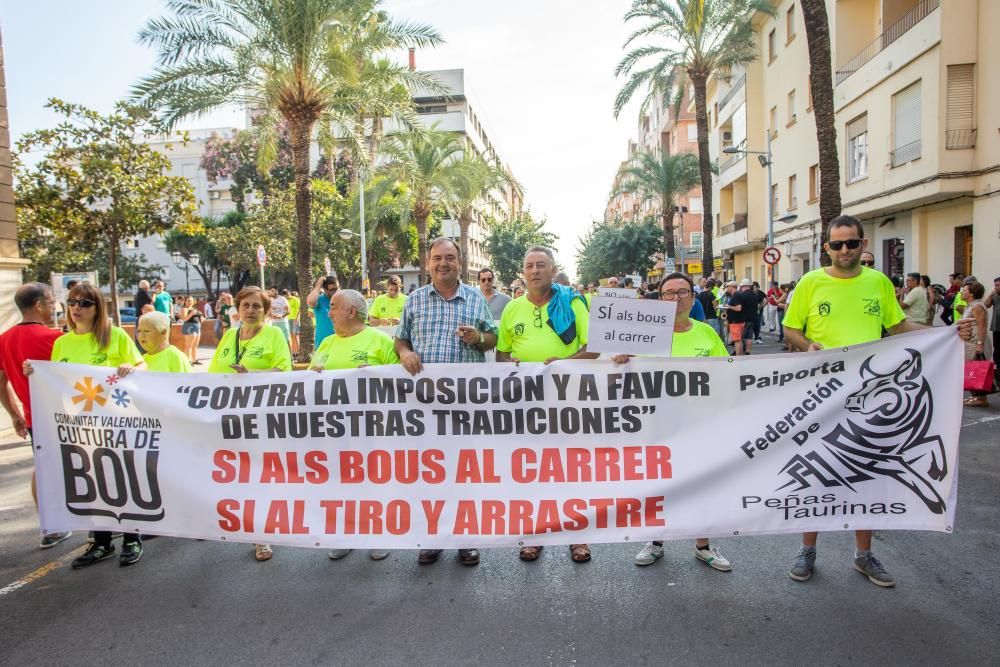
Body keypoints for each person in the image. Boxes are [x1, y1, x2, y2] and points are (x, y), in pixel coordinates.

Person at [782, 215, 972, 588]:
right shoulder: (810, 282)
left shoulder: (878, 283)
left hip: (868, 398)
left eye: (851, 243)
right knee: (820, 473)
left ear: (862, 243)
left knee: (866, 475)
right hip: (822, 395)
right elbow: (791, 328)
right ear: (827, 248)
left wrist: (948, 333)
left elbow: (898, 327)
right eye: (837, 245)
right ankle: (807, 550)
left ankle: (863, 555)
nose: (845, 250)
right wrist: (808, 346)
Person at [612, 273, 732, 572]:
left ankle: (703, 545)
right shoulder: (645, 334)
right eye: (669, 293)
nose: (676, 298)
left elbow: (728, 372)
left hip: (700, 424)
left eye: (682, 292)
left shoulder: (707, 333)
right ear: (660, 298)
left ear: (693, 297)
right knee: (657, 482)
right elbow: (620, 365)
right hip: (658, 424)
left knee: (701, 483)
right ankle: (655, 541)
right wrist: (620, 357)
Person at [25, 283, 144, 568]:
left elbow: (142, 367)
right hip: (79, 425)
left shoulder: (114, 337)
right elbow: (56, 380)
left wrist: (132, 369)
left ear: (97, 308)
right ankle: (101, 542)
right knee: (92, 483)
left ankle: (131, 538)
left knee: (120, 479)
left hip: (115, 421)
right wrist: (34, 372)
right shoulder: (62, 343)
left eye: (85, 303)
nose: (76, 308)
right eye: (72, 302)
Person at [394, 237, 498, 567]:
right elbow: (400, 338)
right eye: (437, 258)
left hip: (466, 404)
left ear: (460, 262)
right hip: (424, 404)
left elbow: (492, 338)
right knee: (430, 472)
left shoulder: (475, 298)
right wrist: (406, 352)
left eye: (450, 258)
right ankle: (434, 537)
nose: (443, 263)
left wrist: (478, 338)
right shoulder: (414, 300)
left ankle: (466, 539)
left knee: (464, 472)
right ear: (428, 263)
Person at [496, 246, 599, 565]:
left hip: (569, 398)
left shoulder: (572, 302)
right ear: (523, 273)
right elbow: (501, 353)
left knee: (571, 469)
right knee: (533, 470)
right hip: (528, 403)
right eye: (530, 266)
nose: (535, 270)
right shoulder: (512, 309)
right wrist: (509, 363)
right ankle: (535, 535)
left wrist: (565, 364)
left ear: (553, 271)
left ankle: (577, 538)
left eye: (542, 265)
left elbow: (593, 347)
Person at [311, 289, 398, 562]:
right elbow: (311, 379)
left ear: (351, 312)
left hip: (373, 428)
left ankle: (378, 535)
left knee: (374, 481)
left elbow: (400, 384)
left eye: (334, 307)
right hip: (336, 429)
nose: (329, 312)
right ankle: (345, 535)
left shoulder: (380, 341)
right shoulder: (326, 343)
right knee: (340, 482)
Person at [208, 286, 292, 562]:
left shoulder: (274, 334)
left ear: (266, 311)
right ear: (237, 309)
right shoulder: (230, 336)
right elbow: (212, 375)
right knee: (236, 476)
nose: (251, 311)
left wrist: (253, 375)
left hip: (261, 417)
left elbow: (284, 370)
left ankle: (262, 536)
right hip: (229, 417)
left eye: (257, 306)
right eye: (246, 306)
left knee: (259, 475)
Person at [0, 283, 72, 549]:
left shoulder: (4, 339)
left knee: (42, 469)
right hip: (65, 416)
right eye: (52, 302)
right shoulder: (55, 338)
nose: (55, 306)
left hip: (33, 417)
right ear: (38, 305)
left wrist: (15, 414)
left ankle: (51, 527)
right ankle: (97, 525)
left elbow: (1, 380)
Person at [960, 281, 992, 408]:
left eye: (965, 290)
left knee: (978, 368)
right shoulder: (971, 305)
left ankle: (981, 397)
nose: (962, 292)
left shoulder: (977, 306)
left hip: (976, 342)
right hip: (970, 342)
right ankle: (976, 396)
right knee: (972, 369)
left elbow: (982, 326)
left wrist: (979, 344)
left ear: (971, 293)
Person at [723, 279, 756, 355]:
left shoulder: (738, 295)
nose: (726, 288)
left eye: (727, 287)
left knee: (737, 340)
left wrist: (728, 306)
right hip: (750, 318)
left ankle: (738, 355)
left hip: (737, 320)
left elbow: (739, 308)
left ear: (731, 287)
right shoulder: (754, 294)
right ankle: (746, 353)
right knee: (747, 338)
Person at [306, 276, 339, 349]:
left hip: (340, 343)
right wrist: (319, 284)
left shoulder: (342, 299)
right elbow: (311, 301)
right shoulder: (320, 300)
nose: (335, 292)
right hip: (322, 344)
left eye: (336, 289)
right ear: (325, 289)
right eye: (332, 290)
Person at [180, 296, 202, 364]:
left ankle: (194, 360)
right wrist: (192, 313)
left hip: (197, 326)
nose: (190, 302)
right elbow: (184, 319)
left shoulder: (194, 309)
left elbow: (199, 317)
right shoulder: (184, 309)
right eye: (188, 301)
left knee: (195, 345)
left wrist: (202, 318)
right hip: (189, 326)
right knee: (189, 345)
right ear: (185, 302)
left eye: (191, 301)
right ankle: (188, 361)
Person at [989, 277, 1000, 368]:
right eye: (995, 285)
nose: (995, 287)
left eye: (997, 285)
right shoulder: (995, 296)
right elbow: (986, 305)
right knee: (996, 348)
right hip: (996, 326)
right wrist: (990, 295)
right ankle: (997, 367)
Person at [287, 290, 301, 356]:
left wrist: (297, 318)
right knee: (291, 336)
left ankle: (298, 352)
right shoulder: (286, 300)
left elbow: (299, 309)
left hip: (295, 319)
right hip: (288, 319)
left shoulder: (296, 300)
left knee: (296, 336)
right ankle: (294, 353)